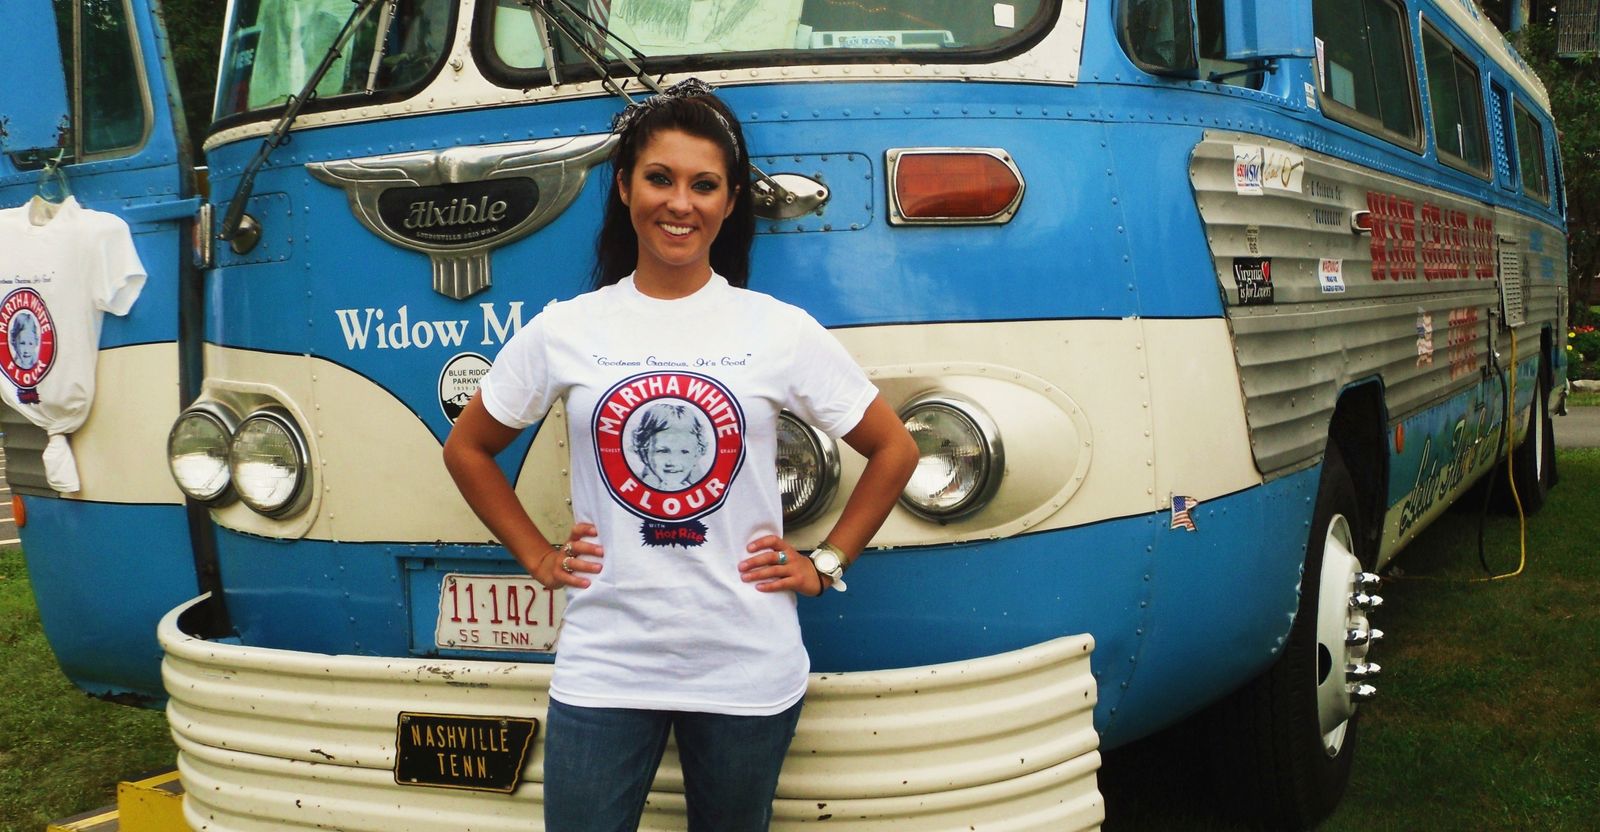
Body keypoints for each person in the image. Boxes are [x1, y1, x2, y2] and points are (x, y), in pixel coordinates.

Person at [443, 79, 918, 832]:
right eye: (660, 178)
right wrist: (537, 556)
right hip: (606, 661)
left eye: (704, 185)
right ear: (624, 186)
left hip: (746, 662)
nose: (679, 203)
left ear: (730, 203)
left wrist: (826, 563)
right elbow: (469, 449)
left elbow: (894, 448)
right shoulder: (567, 329)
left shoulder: (777, 329)